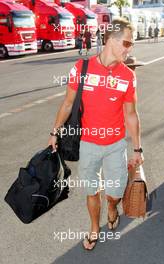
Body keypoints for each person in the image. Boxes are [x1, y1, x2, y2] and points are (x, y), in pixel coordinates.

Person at [48, 18, 144, 251]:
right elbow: (68, 104)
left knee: (114, 193)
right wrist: (54, 132)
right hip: (88, 145)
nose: (129, 48)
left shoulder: (127, 76)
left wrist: (137, 148)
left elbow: (131, 114)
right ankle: (94, 228)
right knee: (92, 191)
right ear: (111, 40)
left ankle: (112, 209)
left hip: (115, 145)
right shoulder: (81, 69)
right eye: (127, 43)